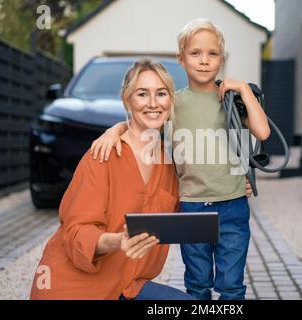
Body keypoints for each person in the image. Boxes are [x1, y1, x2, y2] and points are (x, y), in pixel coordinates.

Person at [90, 18, 271, 300]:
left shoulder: (232, 100)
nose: (204, 61)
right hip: (193, 206)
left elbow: (262, 130)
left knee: (232, 285)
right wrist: (114, 130)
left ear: (221, 59)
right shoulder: (174, 103)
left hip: (233, 205)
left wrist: (246, 90)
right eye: (195, 53)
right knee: (198, 284)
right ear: (181, 59)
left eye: (212, 54)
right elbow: (143, 122)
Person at [30, 59, 194, 300]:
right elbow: (76, 231)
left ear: (170, 101)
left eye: (161, 93)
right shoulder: (102, 156)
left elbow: (191, 208)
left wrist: (233, 186)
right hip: (75, 289)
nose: (152, 103)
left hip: (127, 286)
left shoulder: (170, 162)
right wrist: (117, 241)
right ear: (127, 100)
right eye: (142, 94)